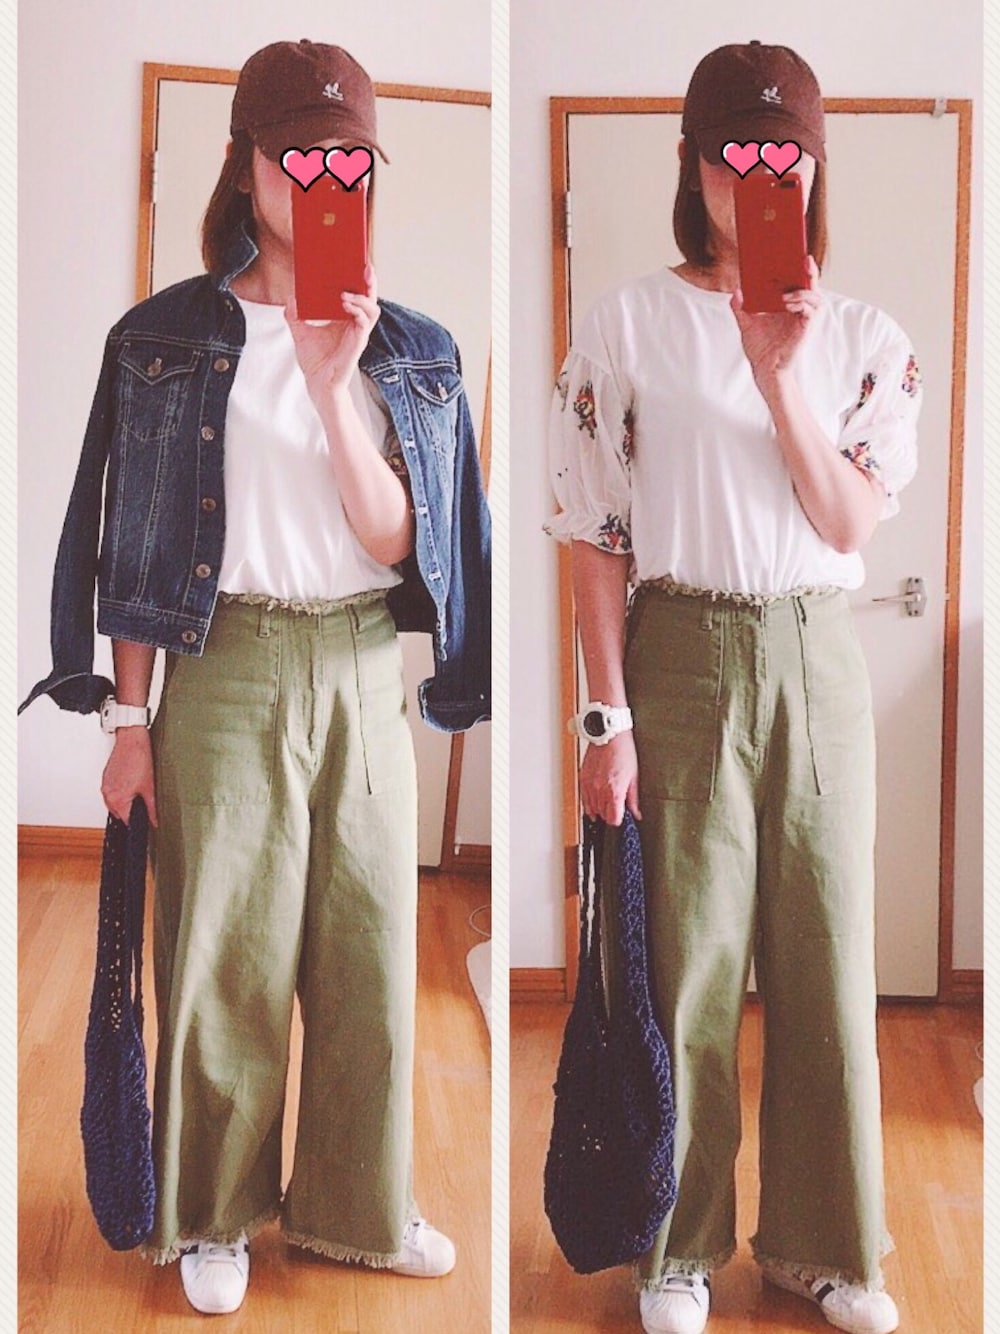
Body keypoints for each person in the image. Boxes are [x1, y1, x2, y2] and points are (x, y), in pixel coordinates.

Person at [21, 39, 490, 1317]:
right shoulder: (161, 339)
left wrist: (336, 390)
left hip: (358, 662)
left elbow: (401, 544)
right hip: (219, 662)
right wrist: (127, 723)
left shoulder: (412, 347)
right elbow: (129, 550)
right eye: (300, 157)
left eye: (351, 160)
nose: (327, 179)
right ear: (246, 166)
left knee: (368, 948)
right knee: (219, 944)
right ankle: (215, 1209)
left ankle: (356, 1207)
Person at [547, 41, 920, 1334]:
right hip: (679, 648)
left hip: (816, 651)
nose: (758, 175)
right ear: (692, 163)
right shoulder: (627, 322)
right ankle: (679, 1244)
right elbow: (592, 530)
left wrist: (777, 369)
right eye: (734, 152)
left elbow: (848, 520)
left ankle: (827, 1243)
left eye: (783, 154)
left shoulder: (864, 338)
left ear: (812, 167)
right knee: (684, 961)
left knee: (828, 960)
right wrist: (604, 714)